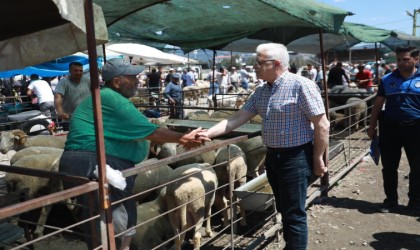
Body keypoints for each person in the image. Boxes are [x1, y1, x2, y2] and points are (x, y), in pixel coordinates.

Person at [58, 58, 209, 250]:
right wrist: (184, 138)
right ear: (117, 82)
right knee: (112, 221)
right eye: (132, 77)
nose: (138, 81)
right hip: (93, 163)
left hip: (93, 163)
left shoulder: (104, 97)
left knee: (115, 216)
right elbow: (149, 130)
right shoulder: (111, 98)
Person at [198, 43, 329, 249]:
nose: (254, 67)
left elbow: (322, 125)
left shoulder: (301, 85)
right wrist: (208, 133)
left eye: (258, 62)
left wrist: (318, 158)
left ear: (275, 64)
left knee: (294, 213)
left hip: (296, 158)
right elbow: (238, 118)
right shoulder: (261, 91)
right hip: (273, 157)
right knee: (285, 209)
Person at [367, 46, 420, 214]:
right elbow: (377, 105)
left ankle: (415, 202)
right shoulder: (387, 79)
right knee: (389, 167)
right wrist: (372, 126)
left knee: (417, 168)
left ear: (416, 59)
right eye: (398, 59)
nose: (401, 63)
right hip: (390, 128)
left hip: (416, 129)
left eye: (405, 59)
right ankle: (391, 200)